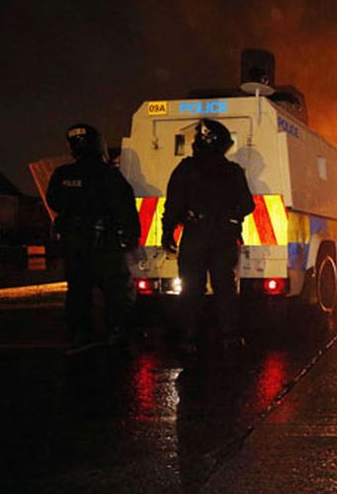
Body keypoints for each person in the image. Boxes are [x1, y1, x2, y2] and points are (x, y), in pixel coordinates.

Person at [161, 118, 255, 357]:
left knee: (192, 288)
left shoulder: (186, 169)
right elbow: (247, 204)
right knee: (225, 287)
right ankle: (229, 337)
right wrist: (230, 215)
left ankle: (189, 339)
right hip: (223, 237)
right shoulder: (232, 171)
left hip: (195, 235)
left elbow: (173, 204)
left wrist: (167, 232)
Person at [46, 124, 140, 352]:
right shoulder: (109, 175)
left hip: (74, 243)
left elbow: (54, 201)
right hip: (104, 242)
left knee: (78, 290)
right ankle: (116, 332)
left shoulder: (62, 174)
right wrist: (131, 237)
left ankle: (80, 334)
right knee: (116, 289)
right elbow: (125, 208)